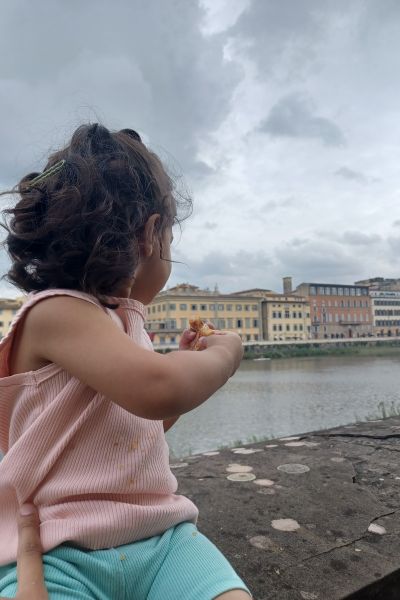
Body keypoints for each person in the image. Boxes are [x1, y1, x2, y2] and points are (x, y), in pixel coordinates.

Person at [0, 124, 252, 599]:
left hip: (160, 538)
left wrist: (177, 362)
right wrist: (225, 356)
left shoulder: (125, 325)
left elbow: (139, 426)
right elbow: (157, 391)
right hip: (59, 549)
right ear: (151, 236)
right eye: (171, 242)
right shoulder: (56, 312)